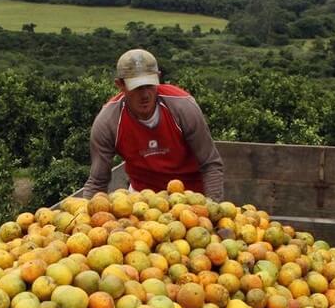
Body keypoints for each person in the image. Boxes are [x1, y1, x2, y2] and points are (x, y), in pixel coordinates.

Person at [79, 49, 225, 200]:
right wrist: (83, 216)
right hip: (142, 199)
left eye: (149, 85)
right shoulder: (108, 122)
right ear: (120, 84)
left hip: (190, 195)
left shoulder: (182, 107)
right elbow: (97, 181)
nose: (145, 95)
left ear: (158, 78)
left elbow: (210, 164)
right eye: (137, 87)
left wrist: (212, 207)